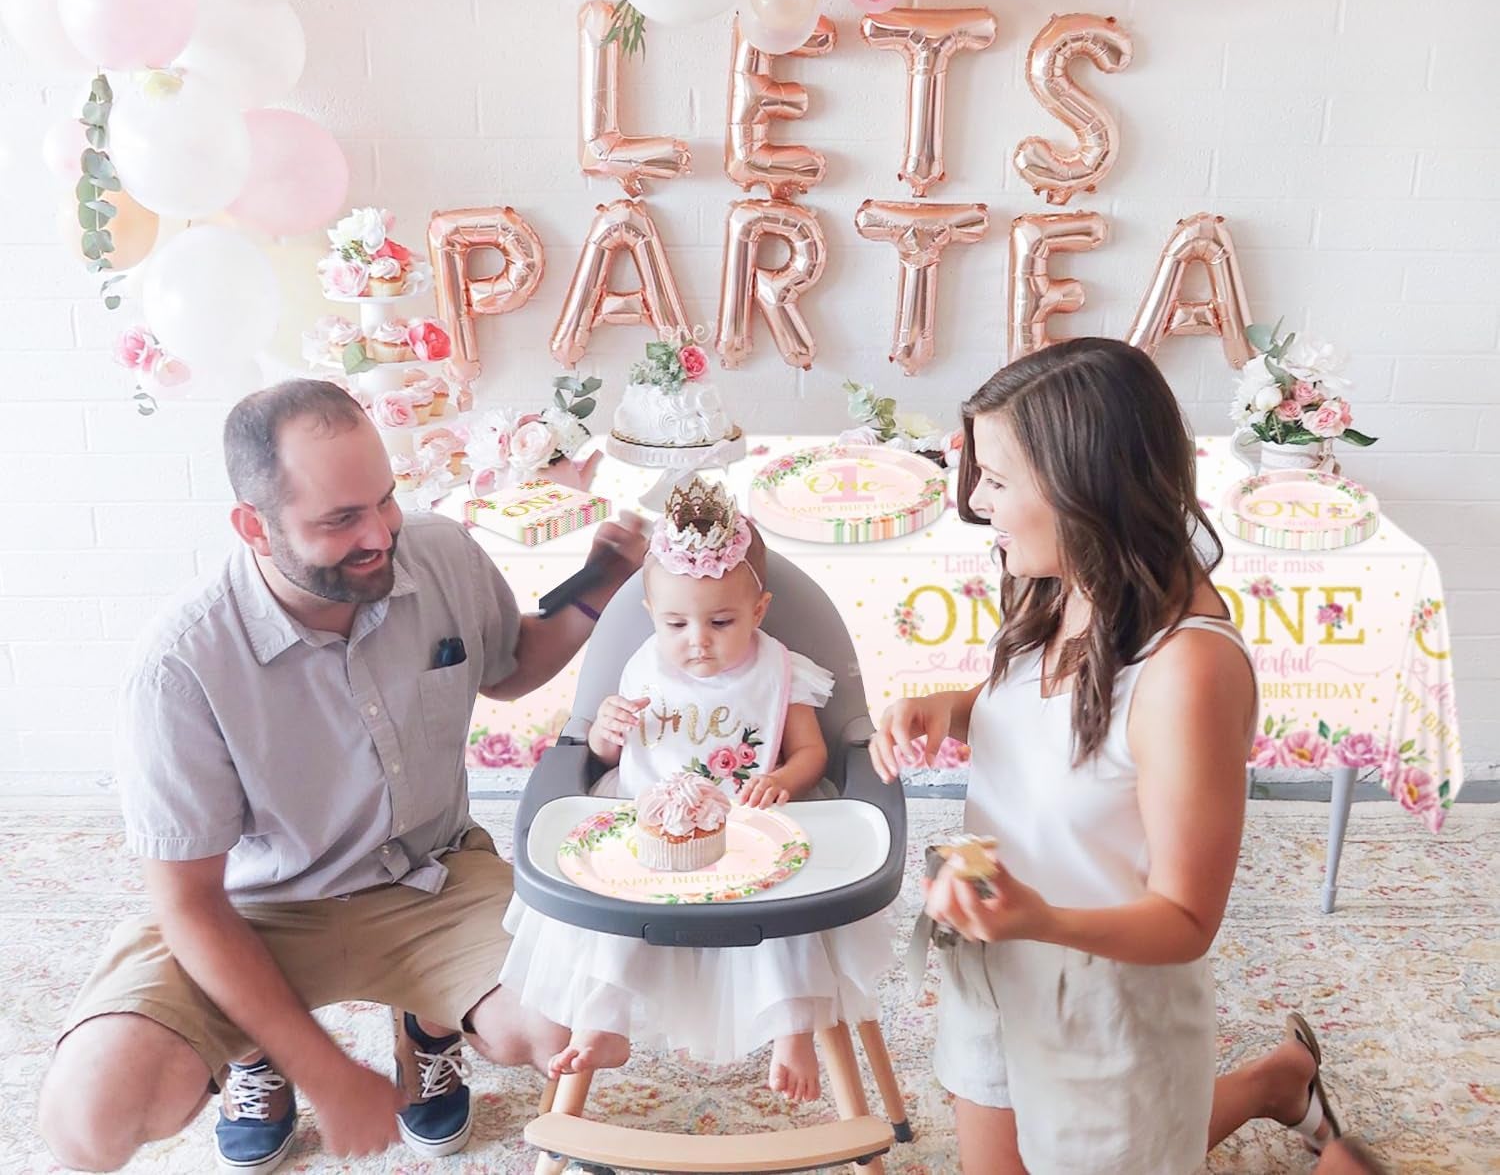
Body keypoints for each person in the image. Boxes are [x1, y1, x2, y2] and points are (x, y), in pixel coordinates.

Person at [35, 379, 648, 1173]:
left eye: (385, 500)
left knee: (586, 1028)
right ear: (253, 527)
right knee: (89, 1119)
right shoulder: (178, 668)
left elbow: (512, 665)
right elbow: (189, 903)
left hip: (432, 877)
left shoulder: (440, 551)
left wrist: (603, 575)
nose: (380, 534)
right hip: (255, 913)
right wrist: (324, 1073)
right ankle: (256, 1048)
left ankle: (428, 1030)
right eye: (340, 519)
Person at [872, 338, 1354, 1175]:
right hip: (993, 964)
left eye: (997, 480)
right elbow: (1061, 727)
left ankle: (1274, 1086)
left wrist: (1038, 921)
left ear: (1082, 490)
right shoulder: (1063, 584)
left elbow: (1187, 920)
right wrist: (951, 709)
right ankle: (1277, 1081)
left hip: (1103, 1003)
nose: (978, 503)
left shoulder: (1188, 671)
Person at [498, 476, 890, 1103]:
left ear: (758, 611)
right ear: (651, 613)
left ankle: (793, 1032)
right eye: (676, 622)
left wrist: (782, 779)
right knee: (610, 915)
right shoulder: (644, 664)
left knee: (785, 919)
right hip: (646, 821)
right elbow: (606, 754)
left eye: (721, 621)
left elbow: (812, 753)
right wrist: (604, 732)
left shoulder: (782, 671)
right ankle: (602, 1025)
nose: (697, 640)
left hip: (748, 826)